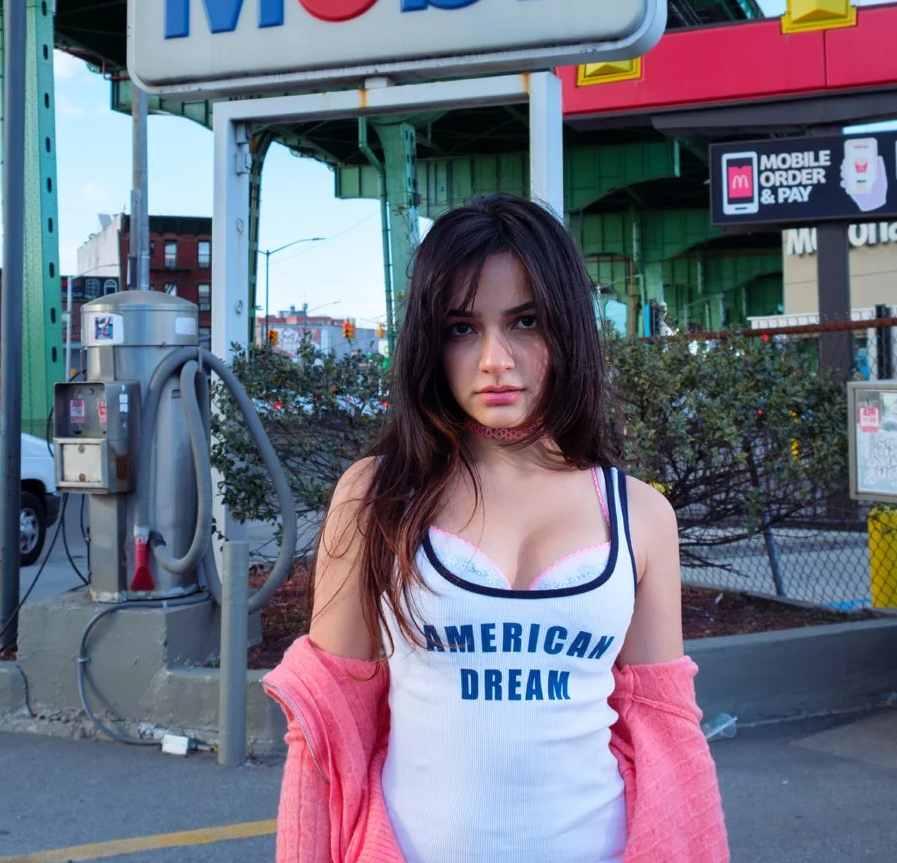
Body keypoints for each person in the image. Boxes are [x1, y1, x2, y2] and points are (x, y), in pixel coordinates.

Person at [264, 194, 727, 862]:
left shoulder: (640, 515)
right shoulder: (378, 496)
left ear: (567, 328)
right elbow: (328, 727)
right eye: (461, 328)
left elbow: (665, 735)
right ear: (429, 340)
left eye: (526, 322)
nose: (494, 359)